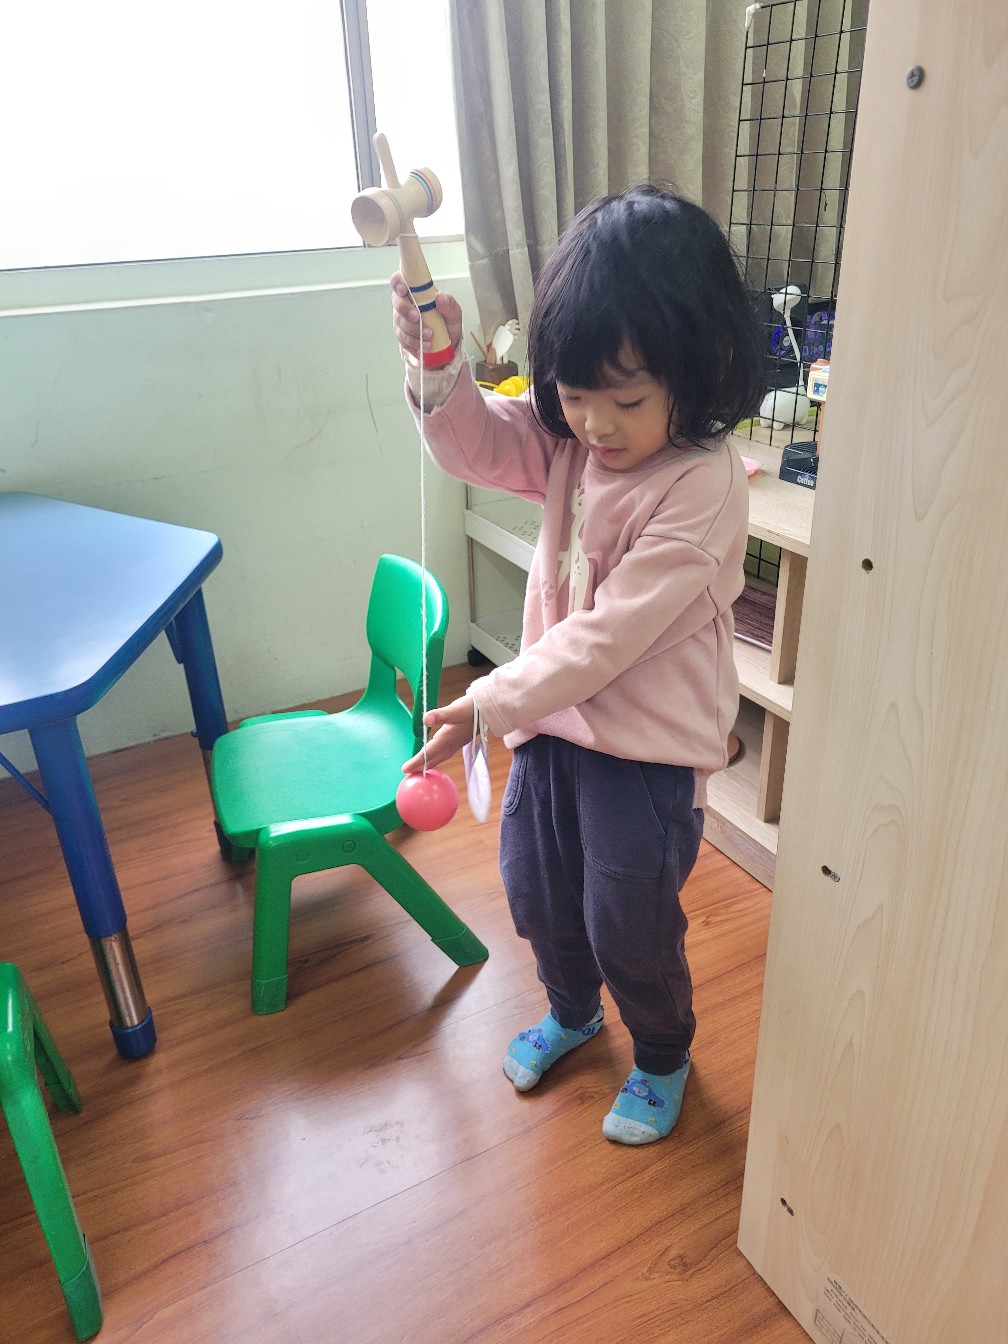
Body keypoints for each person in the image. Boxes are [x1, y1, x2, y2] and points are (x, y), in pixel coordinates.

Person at [389, 185, 765, 1145]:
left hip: (643, 750)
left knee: (627, 913)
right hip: (551, 724)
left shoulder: (701, 484)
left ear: (700, 370)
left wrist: (487, 700)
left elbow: (606, 640)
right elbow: (475, 443)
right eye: (573, 393)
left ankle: (663, 1052)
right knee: (536, 889)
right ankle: (573, 1009)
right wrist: (437, 363)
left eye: (626, 400)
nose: (594, 424)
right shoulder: (567, 439)